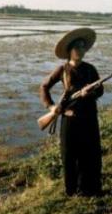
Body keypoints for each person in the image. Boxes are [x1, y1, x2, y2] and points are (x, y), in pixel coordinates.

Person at [39, 28, 104, 196]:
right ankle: (71, 190)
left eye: (83, 47)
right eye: (78, 47)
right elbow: (44, 87)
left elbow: (101, 90)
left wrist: (89, 93)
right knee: (68, 157)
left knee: (90, 155)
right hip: (70, 120)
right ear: (70, 51)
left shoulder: (90, 69)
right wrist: (52, 107)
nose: (82, 50)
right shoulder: (62, 70)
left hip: (89, 119)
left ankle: (89, 189)